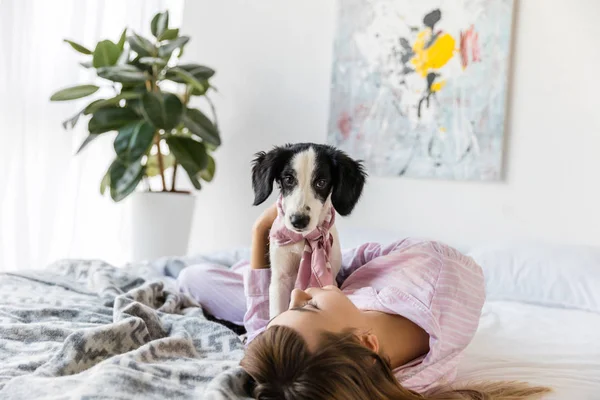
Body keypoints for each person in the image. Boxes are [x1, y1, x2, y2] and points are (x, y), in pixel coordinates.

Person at [178, 204, 550, 399]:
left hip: (337, 288)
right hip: (343, 283)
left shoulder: (346, 370)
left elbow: (263, 333)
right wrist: (326, 278)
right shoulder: (437, 271)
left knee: (193, 278)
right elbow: (357, 261)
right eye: (306, 306)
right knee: (195, 277)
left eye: (295, 307)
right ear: (365, 341)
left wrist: (261, 233)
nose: (297, 293)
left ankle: (259, 274)